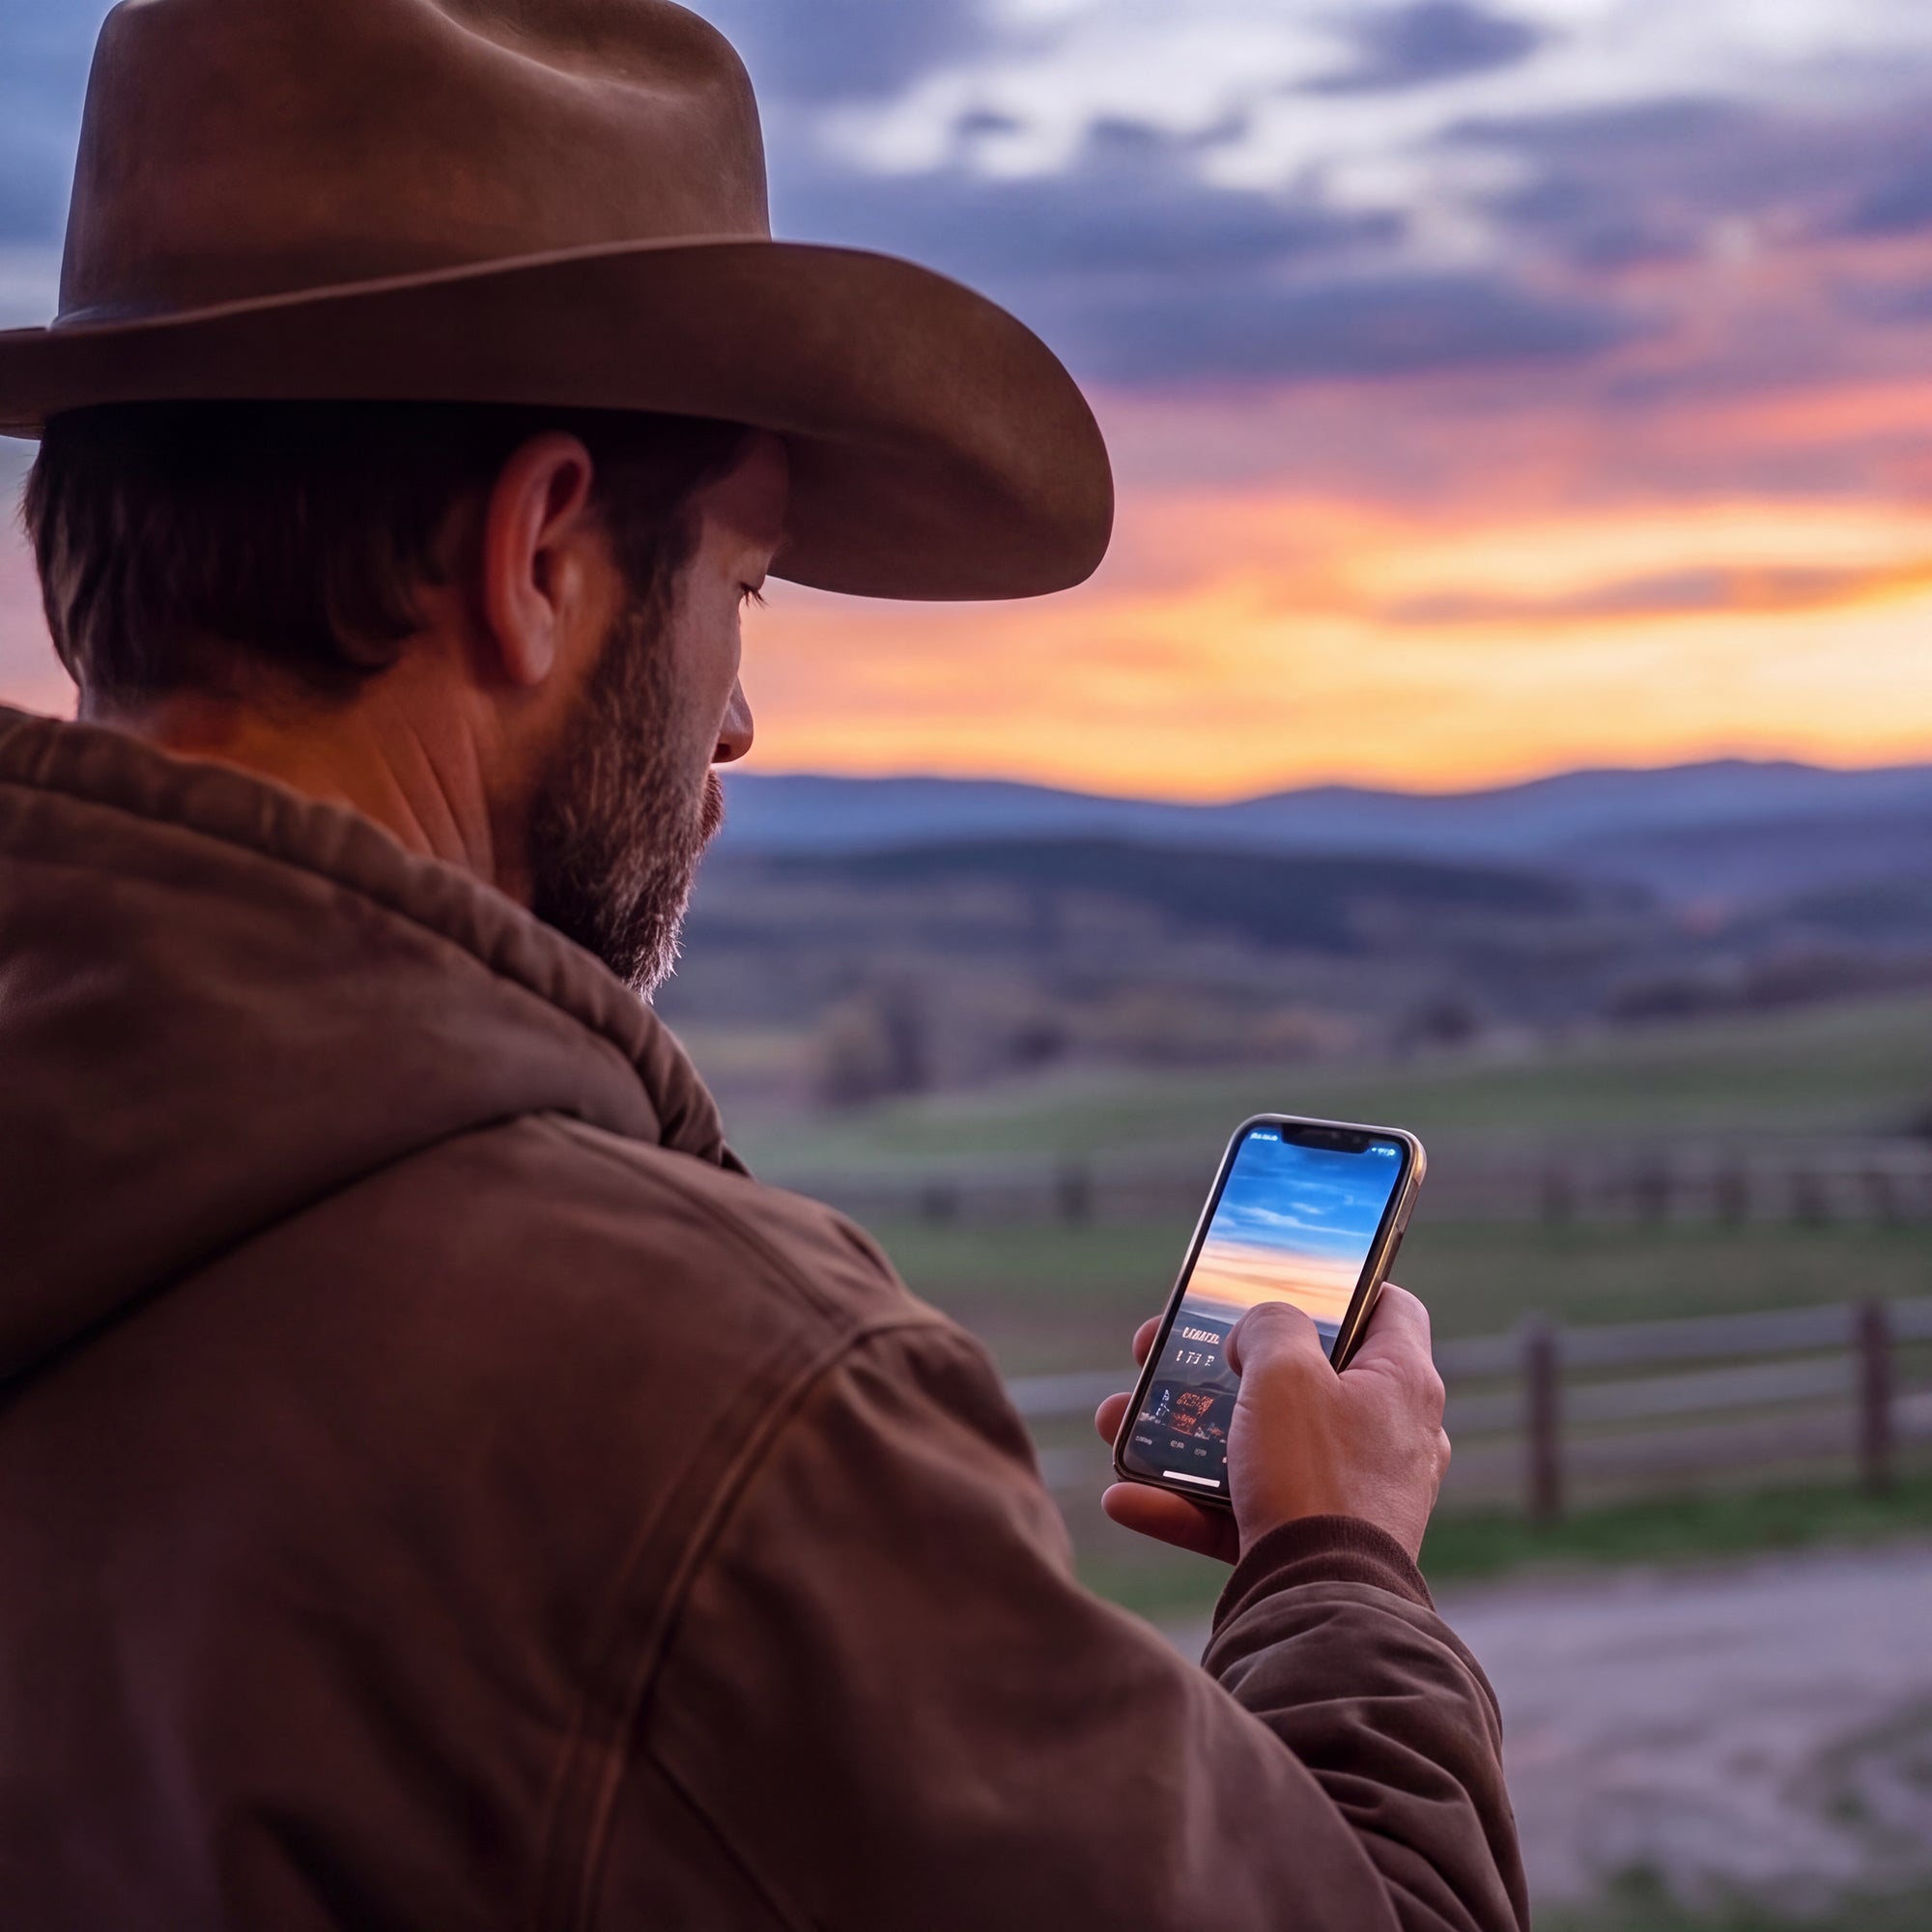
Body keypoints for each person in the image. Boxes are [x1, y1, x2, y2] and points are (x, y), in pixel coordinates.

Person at [0, 2, 1526, 1926]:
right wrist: (1333, 1563)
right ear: (540, 551)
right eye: (739, 587)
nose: (734, 719)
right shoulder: (707, 1404)